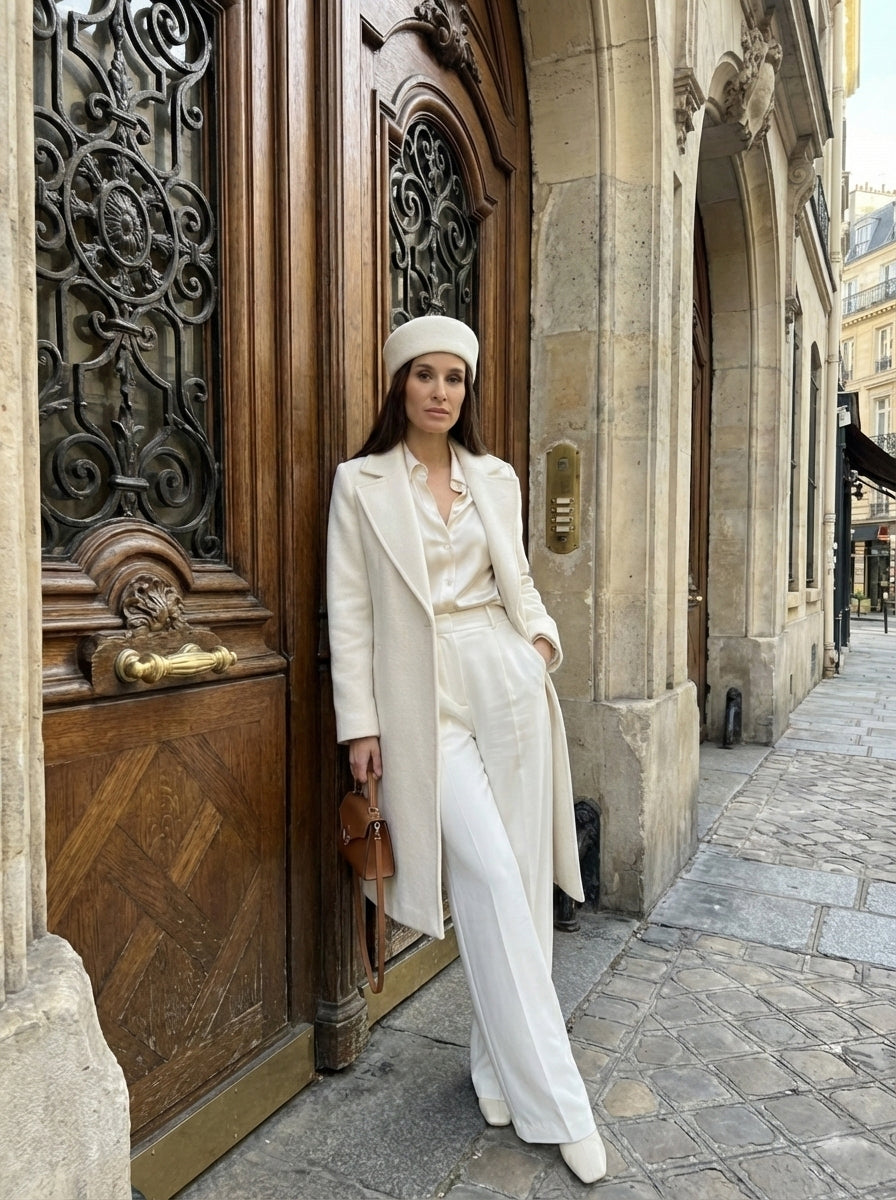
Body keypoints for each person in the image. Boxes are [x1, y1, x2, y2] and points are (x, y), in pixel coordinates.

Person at [326, 315, 606, 1184]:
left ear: (467, 390)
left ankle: (496, 1068)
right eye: (425, 376)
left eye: (454, 377)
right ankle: (560, 1104)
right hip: (420, 698)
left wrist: (541, 644)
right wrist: (360, 726)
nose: (440, 391)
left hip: (504, 675)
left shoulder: (496, 477)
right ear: (399, 385)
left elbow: (518, 577)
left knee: (517, 884)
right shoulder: (360, 483)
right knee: (484, 871)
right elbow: (351, 613)